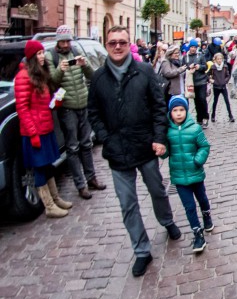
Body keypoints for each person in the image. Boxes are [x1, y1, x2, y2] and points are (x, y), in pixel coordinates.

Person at [88, 26, 181, 277]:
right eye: (112, 43)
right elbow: (93, 113)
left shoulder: (144, 71)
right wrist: (106, 138)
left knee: (157, 190)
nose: (117, 47)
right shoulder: (98, 78)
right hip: (117, 152)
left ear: (129, 45)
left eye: (122, 42)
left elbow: (158, 106)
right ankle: (141, 250)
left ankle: (167, 220)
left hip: (145, 145)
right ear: (106, 45)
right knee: (128, 204)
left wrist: (159, 137)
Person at [47, 25, 105, 199]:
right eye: (63, 41)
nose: (66, 44)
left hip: (83, 104)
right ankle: (80, 185)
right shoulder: (52, 56)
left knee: (86, 143)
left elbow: (92, 77)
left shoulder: (76, 51)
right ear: (58, 41)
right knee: (72, 147)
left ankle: (91, 178)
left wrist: (85, 64)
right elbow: (52, 82)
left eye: (68, 41)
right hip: (67, 108)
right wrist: (60, 69)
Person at [17, 40, 73, 217]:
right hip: (35, 132)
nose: (42, 56)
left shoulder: (40, 74)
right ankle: (49, 206)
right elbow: (23, 109)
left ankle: (55, 199)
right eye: (39, 54)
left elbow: (42, 104)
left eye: (42, 53)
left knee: (48, 165)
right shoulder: (23, 77)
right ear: (32, 57)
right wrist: (33, 133)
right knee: (40, 168)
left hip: (45, 127)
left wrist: (55, 102)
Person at [166, 96, 213, 254]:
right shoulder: (168, 131)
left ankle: (206, 215)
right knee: (189, 207)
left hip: (195, 173)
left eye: (181, 110)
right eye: (175, 110)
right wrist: (161, 150)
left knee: (202, 199)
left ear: (186, 111)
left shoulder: (194, 128)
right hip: (179, 177)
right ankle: (197, 234)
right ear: (170, 112)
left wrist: (197, 160)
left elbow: (204, 146)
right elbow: (165, 153)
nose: (178, 113)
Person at [182, 39, 210, 128]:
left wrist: (199, 67)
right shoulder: (185, 57)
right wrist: (188, 68)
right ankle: (199, 119)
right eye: (191, 47)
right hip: (192, 82)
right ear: (189, 48)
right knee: (196, 101)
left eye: (194, 47)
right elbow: (183, 67)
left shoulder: (200, 56)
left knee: (202, 99)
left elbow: (205, 67)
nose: (193, 49)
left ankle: (205, 117)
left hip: (201, 81)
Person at [209, 53, 234, 122]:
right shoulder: (213, 67)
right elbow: (208, 75)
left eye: (220, 59)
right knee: (215, 101)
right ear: (215, 60)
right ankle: (213, 115)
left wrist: (225, 81)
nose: (219, 60)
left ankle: (230, 116)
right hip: (216, 87)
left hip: (223, 86)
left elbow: (228, 75)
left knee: (227, 101)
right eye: (218, 59)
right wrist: (212, 81)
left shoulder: (225, 67)